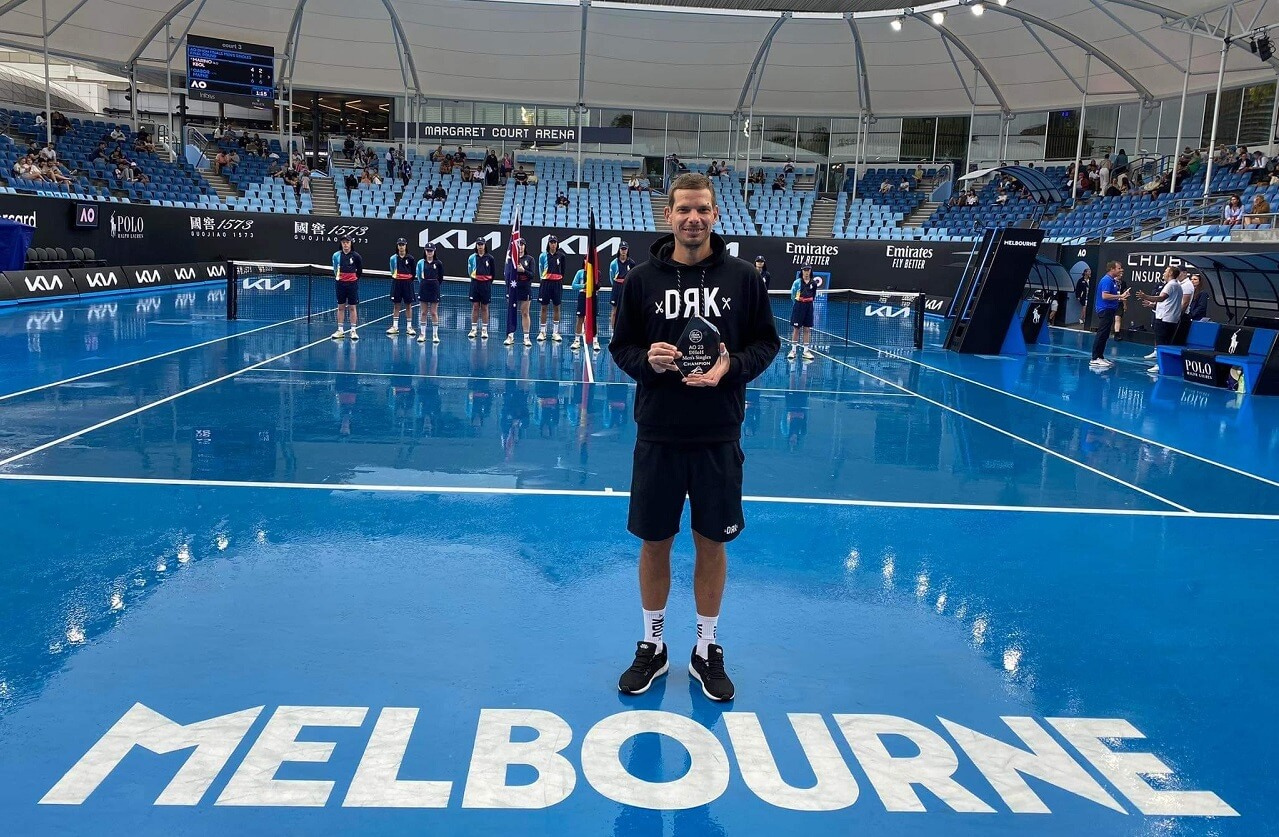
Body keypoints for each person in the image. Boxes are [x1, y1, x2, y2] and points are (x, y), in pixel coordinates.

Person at [609, 172, 781, 701]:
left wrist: (731, 368)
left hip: (718, 435)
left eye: (702, 209)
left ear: (715, 214)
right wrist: (647, 360)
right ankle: (653, 645)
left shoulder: (743, 280)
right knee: (654, 542)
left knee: (713, 542)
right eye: (684, 209)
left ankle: (705, 649)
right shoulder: (639, 282)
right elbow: (622, 348)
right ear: (668, 216)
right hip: (658, 433)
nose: (693, 218)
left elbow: (766, 345)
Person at [1136, 265, 1184, 373]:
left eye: (1166, 271)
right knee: (1165, 343)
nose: (1163, 273)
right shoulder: (1176, 285)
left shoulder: (1170, 285)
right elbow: (1169, 303)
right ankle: (1163, 363)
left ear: (1170, 273)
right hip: (1170, 318)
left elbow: (1162, 298)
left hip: (1164, 319)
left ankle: (1160, 364)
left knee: (1162, 343)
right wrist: (1153, 304)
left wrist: (1145, 296)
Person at [1089, 261, 1129, 369]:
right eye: (1119, 268)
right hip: (1105, 310)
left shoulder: (1113, 281)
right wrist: (1120, 296)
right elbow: (1105, 296)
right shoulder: (1107, 280)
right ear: (1112, 269)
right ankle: (1095, 358)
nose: (1121, 270)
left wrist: (1121, 296)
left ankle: (1100, 356)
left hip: (1110, 310)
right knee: (1101, 334)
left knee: (1105, 334)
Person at [504, 238, 536, 347]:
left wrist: (523, 271)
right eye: (519, 245)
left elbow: (532, 275)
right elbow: (507, 274)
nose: (520, 247)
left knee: (525, 313)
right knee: (511, 312)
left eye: (522, 245)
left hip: (525, 289)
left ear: (525, 246)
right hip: (513, 289)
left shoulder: (530, 259)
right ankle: (510, 336)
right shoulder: (512, 259)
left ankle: (526, 338)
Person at [331, 235, 363, 340]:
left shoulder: (356, 256)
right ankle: (340, 330)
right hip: (340, 284)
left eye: (347, 242)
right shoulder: (336, 255)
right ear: (341, 244)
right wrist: (340, 278)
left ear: (351, 243)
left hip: (352, 284)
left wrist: (353, 279)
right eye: (343, 242)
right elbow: (335, 269)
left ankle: (353, 331)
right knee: (340, 307)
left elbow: (359, 271)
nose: (345, 244)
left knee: (352, 307)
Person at [786, 264, 821, 361]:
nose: (806, 271)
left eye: (808, 270)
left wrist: (807, 302)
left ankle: (806, 351)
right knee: (796, 329)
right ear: (802, 271)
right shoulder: (797, 282)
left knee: (807, 329)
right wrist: (798, 303)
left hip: (809, 307)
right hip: (799, 306)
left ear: (810, 271)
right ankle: (793, 350)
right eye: (805, 270)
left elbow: (813, 295)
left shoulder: (813, 283)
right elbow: (793, 294)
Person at [387, 237, 418, 338]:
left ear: (405, 246)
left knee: (408, 305)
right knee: (397, 305)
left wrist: (408, 279)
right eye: (399, 245)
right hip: (397, 283)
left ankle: (409, 327)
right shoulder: (393, 258)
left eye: (403, 245)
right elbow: (392, 270)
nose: (401, 247)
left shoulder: (411, 258)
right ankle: (395, 326)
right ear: (397, 246)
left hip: (407, 284)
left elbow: (413, 272)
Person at [537, 235, 567, 342]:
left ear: (557, 244)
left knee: (556, 307)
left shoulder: (561, 256)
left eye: (554, 242)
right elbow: (541, 270)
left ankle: (555, 332)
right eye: (551, 242)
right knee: (544, 307)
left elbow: (562, 271)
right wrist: (545, 278)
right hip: (545, 283)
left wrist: (557, 279)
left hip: (557, 284)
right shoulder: (543, 256)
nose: (553, 244)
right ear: (548, 244)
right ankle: (542, 331)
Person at [467, 239, 496, 340]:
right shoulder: (471, 258)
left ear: (484, 245)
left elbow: (493, 273)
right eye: (478, 244)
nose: (480, 246)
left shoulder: (490, 258)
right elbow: (469, 271)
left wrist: (487, 282)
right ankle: (473, 329)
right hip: (475, 284)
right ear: (476, 245)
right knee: (475, 306)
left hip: (486, 285)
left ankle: (484, 329)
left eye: (482, 244)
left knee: (484, 307)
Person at [416, 244, 444, 344]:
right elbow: (419, 275)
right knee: (423, 312)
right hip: (424, 287)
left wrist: (434, 284)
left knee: (433, 312)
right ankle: (422, 334)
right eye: (427, 250)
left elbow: (440, 277)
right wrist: (424, 283)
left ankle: (435, 335)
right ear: (425, 251)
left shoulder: (438, 263)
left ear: (434, 251)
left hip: (434, 287)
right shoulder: (421, 263)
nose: (429, 252)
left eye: (431, 250)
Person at [569, 263, 600, 352]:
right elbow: (574, 285)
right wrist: (584, 286)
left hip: (593, 297)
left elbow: (599, 286)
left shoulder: (597, 273)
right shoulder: (580, 273)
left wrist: (593, 284)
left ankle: (595, 341)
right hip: (582, 296)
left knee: (593, 319)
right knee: (580, 318)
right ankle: (577, 340)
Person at [608, 241, 637, 332]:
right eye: (622, 249)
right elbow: (611, 277)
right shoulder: (614, 263)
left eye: (625, 249)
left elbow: (633, 277)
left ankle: (626, 332)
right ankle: (613, 333)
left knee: (627, 311)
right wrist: (616, 285)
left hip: (626, 288)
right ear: (619, 250)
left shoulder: (632, 263)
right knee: (614, 312)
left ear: (627, 250)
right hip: (617, 287)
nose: (623, 251)